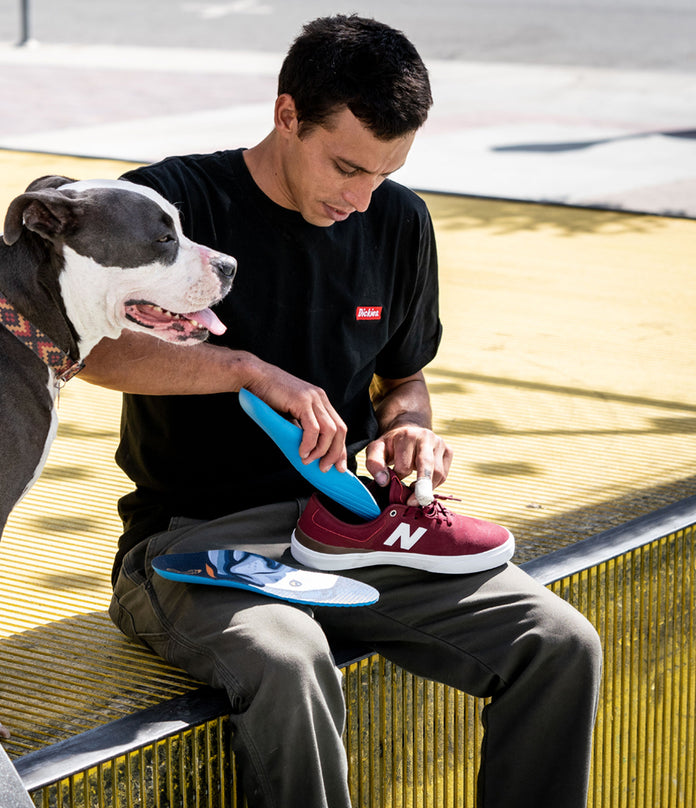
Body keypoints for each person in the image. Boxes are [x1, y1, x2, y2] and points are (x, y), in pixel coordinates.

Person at [80, 15, 602, 808]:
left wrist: (408, 429)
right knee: (290, 660)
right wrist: (244, 371)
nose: (361, 199)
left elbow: (405, 376)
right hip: (191, 541)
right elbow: (85, 350)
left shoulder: (398, 222)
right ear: (287, 115)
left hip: (353, 533)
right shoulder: (170, 205)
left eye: (383, 175)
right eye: (347, 167)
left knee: (561, 643)